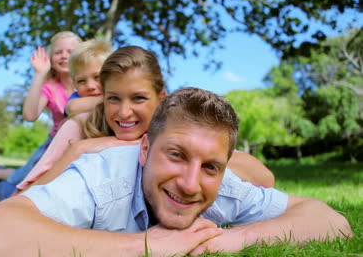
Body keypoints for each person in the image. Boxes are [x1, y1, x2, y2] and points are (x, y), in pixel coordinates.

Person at [0, 87, 352, 256]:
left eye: (210, 166)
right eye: (176, 155)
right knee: (7, 193)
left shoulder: (223, 187)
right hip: (45, 188)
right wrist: (145, 246)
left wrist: (238, 239)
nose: (191, 184)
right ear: (144, 148)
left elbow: (332, 221)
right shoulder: (101, 178)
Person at [16, 45, 274, 192]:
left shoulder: (175, 130)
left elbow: (264, 178)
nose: (124, 112)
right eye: (113, 98)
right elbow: (26, 194)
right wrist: (80, 150)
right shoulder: (79, 127)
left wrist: (122, 145)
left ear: (161, 98)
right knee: (6, 187)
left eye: (138, 98)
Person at [0, 31, 82, 200]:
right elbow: (30, 115)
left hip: (79, 145)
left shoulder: (90, 82)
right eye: (58, 52)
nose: (64, 56)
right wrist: (40, 74)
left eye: (70, 52)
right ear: (50, 57)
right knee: (23, 178)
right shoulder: (50, 87)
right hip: (53, 145)